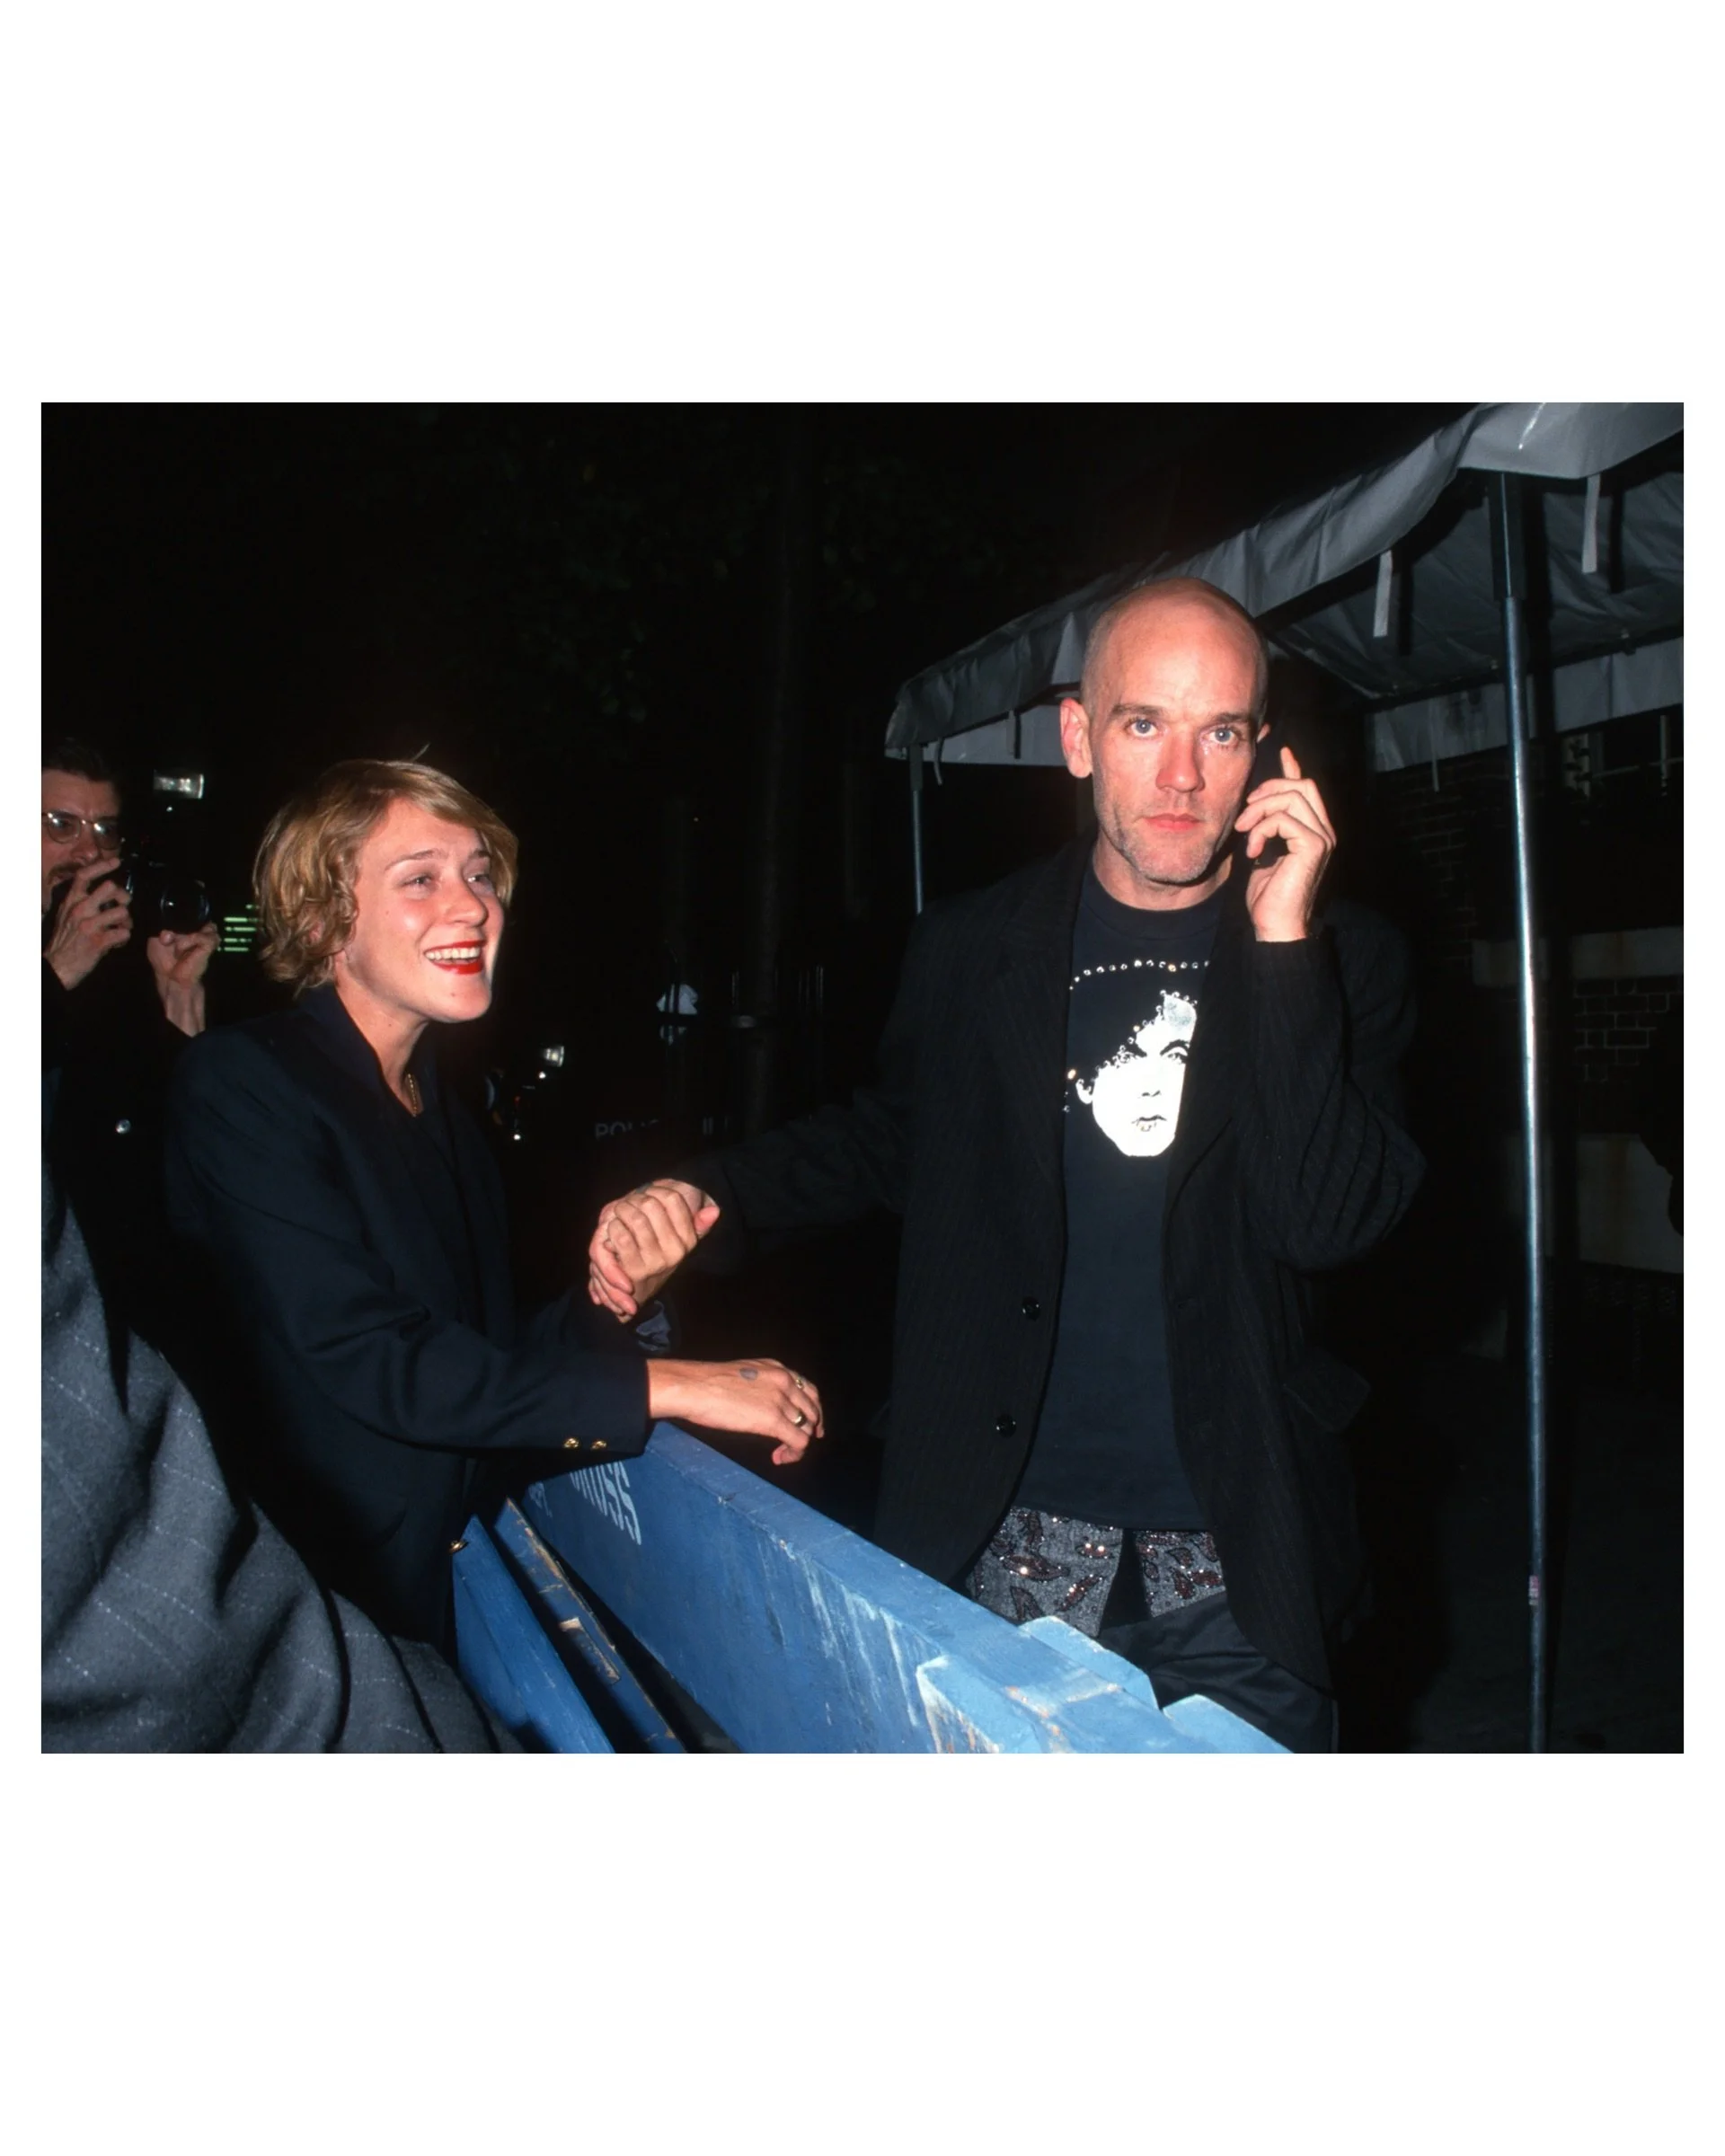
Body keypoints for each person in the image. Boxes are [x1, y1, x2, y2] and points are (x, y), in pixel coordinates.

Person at [588, 579, 1424, 1751]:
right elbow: (890, 1134)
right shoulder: (977, 947)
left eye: (1219, 731)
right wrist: (707, 1194)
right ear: (1079, 736)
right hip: (1007, 1532)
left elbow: (1324, 1221)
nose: (1182, 776)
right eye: (1144, 724)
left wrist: (1283, 948)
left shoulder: (1344, 962)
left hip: (1244, 1562)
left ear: (1263, 755)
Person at [164, 758, 822, 1653]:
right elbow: (372, 1362)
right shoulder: (246, 1082)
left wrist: (617, 1290)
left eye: (480, 875)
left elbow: (490, 1370)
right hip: (294, 1625)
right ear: (324, 922)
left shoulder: (444, 1114)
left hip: (426, 1600)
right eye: (421, 879)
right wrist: (673, 1386)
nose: (473, 905)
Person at [42, 1156, 506, 1752]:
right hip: (346, 1562)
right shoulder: (242, 1084)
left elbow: (488, 1343)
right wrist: (630, 1389)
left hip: (442, 1545)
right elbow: (135, 1627)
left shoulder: (447, 1115)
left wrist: (608, 1306)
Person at [42, 737, 220, 1349]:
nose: (89, 852)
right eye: (60, 825)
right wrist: (55, 974)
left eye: (106, 831)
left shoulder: (113, 966)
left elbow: (183, 1168)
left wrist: (179, 1002)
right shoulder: (65, 967)